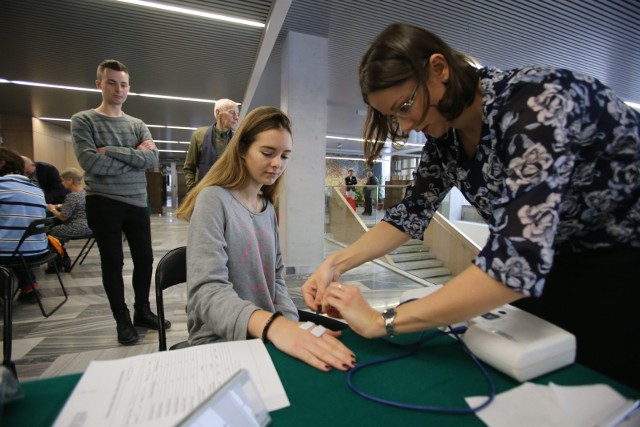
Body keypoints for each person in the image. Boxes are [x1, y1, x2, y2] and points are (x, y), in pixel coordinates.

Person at [302, 23, 640, 389]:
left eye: (405, 105)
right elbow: (408, 215)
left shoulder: (538, 103)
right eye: (394, 116)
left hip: (625, 253)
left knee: (607, 381)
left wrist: (382, 321)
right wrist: (334, 264)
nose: (407, 124)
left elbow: (515, 264)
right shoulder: (445, 134)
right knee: (525, 368)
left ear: (439, 69)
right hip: (558, 257)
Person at [175, 106, 355, 372]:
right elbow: (206, 293)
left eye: (284, 156)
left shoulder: (267, 207)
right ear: (242, 150)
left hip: (268, 333)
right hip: (221, 341)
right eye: (267, 153)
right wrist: (275, 326)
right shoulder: (213, 200)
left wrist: (292, 325)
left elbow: (277, 278)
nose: (277, 164)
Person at [71, 59, 169, 345]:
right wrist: (132, 157)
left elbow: (151, 158)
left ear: (129, 88)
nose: (118, 89)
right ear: (99, 84)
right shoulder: (83, 120)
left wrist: (111, 151)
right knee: (112, 261)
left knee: (145, 259)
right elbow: (90, 162)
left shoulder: (137, 124)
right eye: (112, 82)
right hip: (103, 202)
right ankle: (122, 319)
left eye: (123, 84)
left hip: (137, 202)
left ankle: (142, 310)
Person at [0, 147, 48, 303]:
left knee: (11, 242)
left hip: (11, 252)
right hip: (38, 250)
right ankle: (29, 286)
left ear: (1, 163)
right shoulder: (36, 189)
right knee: (15, 240)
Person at [183, 98, 239, 192]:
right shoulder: (200, 135)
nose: (236, 117)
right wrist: (192, 190)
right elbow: (189, 168)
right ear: (218, 113)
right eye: (232, 112)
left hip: (229, 195)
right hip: (202, 192)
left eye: (237, 114)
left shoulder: (237, 141)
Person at [46, 167, 92, 241]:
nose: (62, 183)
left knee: (53, 230)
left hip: (77, 227)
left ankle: (59, 251)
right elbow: (77, 206)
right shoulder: (85, 192)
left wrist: (52, 209)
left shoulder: (72, 196)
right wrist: (58, 205)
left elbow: (63, 217)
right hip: (90, 227)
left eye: (64, 181)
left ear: (70, 181)